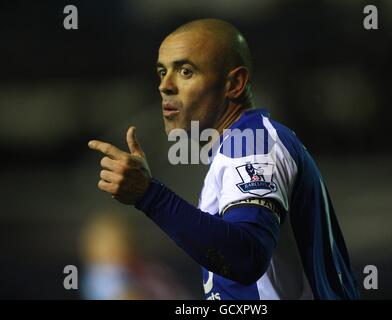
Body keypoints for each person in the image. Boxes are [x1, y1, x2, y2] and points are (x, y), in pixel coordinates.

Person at [88, 18, 360, 300]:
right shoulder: (236, 146)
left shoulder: (254, 143)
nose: (165, 86)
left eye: (185, 70)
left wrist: (150, 196)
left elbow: (246, 257)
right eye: (161, 72)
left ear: (235, 83)